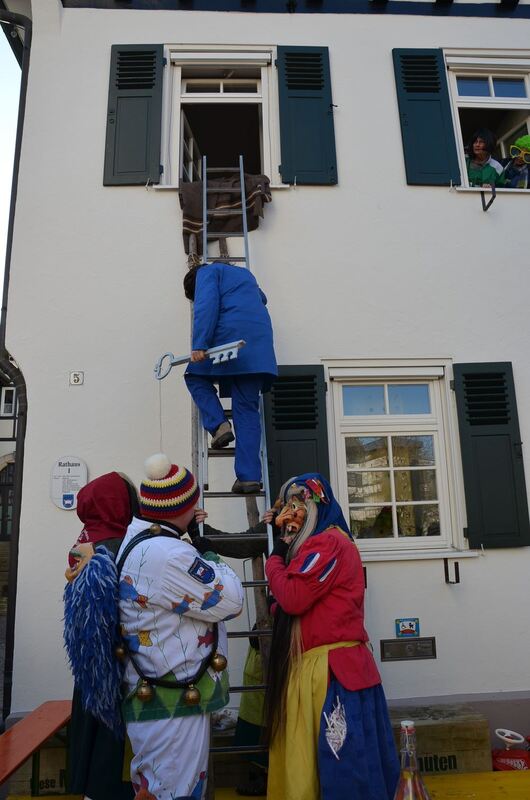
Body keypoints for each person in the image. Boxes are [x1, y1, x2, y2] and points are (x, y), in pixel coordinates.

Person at [264, 473, 399, 800]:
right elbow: (291, 602)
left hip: (331, 674)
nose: (291, 518)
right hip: (326, 669)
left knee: (343, 765)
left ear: (314, 507)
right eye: (287, 509)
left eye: (297, 508)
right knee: (341, 762)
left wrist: (275, 556)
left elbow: (294, 597)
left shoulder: (329, 543)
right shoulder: (325, 544)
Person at [117, 454, 244, 800]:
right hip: (172, 702)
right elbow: (231, 600)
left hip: (160, 695)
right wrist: (208, 553)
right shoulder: (170, 555)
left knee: (156, 789)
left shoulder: (140, 541)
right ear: (188, 504)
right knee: (174, 792)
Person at [64, 471, 138, 800]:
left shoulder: (85, 542)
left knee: (93, 749)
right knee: (112, 758)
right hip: (117, 668)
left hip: (90, 669)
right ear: (118, 504)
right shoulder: (118, 546)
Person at [183, 261, 277, 495]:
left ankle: (218, 425)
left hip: (231, 341)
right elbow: (262, 300)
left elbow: (207, 304)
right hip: (258, 348)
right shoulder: (245, 275)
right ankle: (248, 478)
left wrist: (200, 344)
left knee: (194, 376)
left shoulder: (207, 272)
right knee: (246, 409)